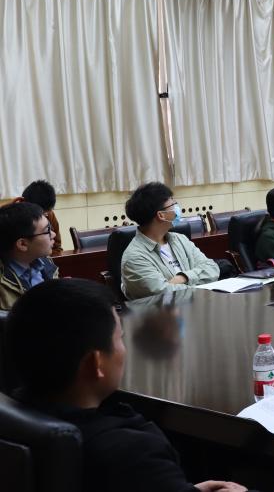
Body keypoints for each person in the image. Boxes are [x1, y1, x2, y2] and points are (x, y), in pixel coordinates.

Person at [6, 278, 247, 492]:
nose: (124, 349)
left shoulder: (13, 413)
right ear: (96, 362)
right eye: (120, 338)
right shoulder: (132, 452)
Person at [121, 182, 221, 300]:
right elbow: (164, 294)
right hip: (161, 312)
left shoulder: (180, 239)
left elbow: (212, 269)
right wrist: (199, 283)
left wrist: (183, 277)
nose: (177, 208)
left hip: (195, 305)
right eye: (173, 204)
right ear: (161, 215)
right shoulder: (134, 258)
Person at [0, 201, 59, 311]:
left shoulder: (46, 263)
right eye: (47, 230)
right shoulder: (3, 287)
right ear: (22, 244)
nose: (53, 234)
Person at [11, 180, 63, 254]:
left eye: (45, 214)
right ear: (24, 203)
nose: (43, 217)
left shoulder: (49, 214)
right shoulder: (7, 219)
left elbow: (57, 247)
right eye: (40, 213)